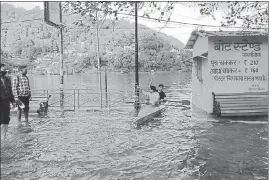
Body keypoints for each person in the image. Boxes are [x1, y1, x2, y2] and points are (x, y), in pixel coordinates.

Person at [0, 63, 15, 140]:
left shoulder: (7, 79)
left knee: (6, 121)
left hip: (6, 103)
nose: (4, 70)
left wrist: (13, 101)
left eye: (4, 69)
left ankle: (3, 139)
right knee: (1, 122)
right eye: (2, 69)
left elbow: (10, 92)